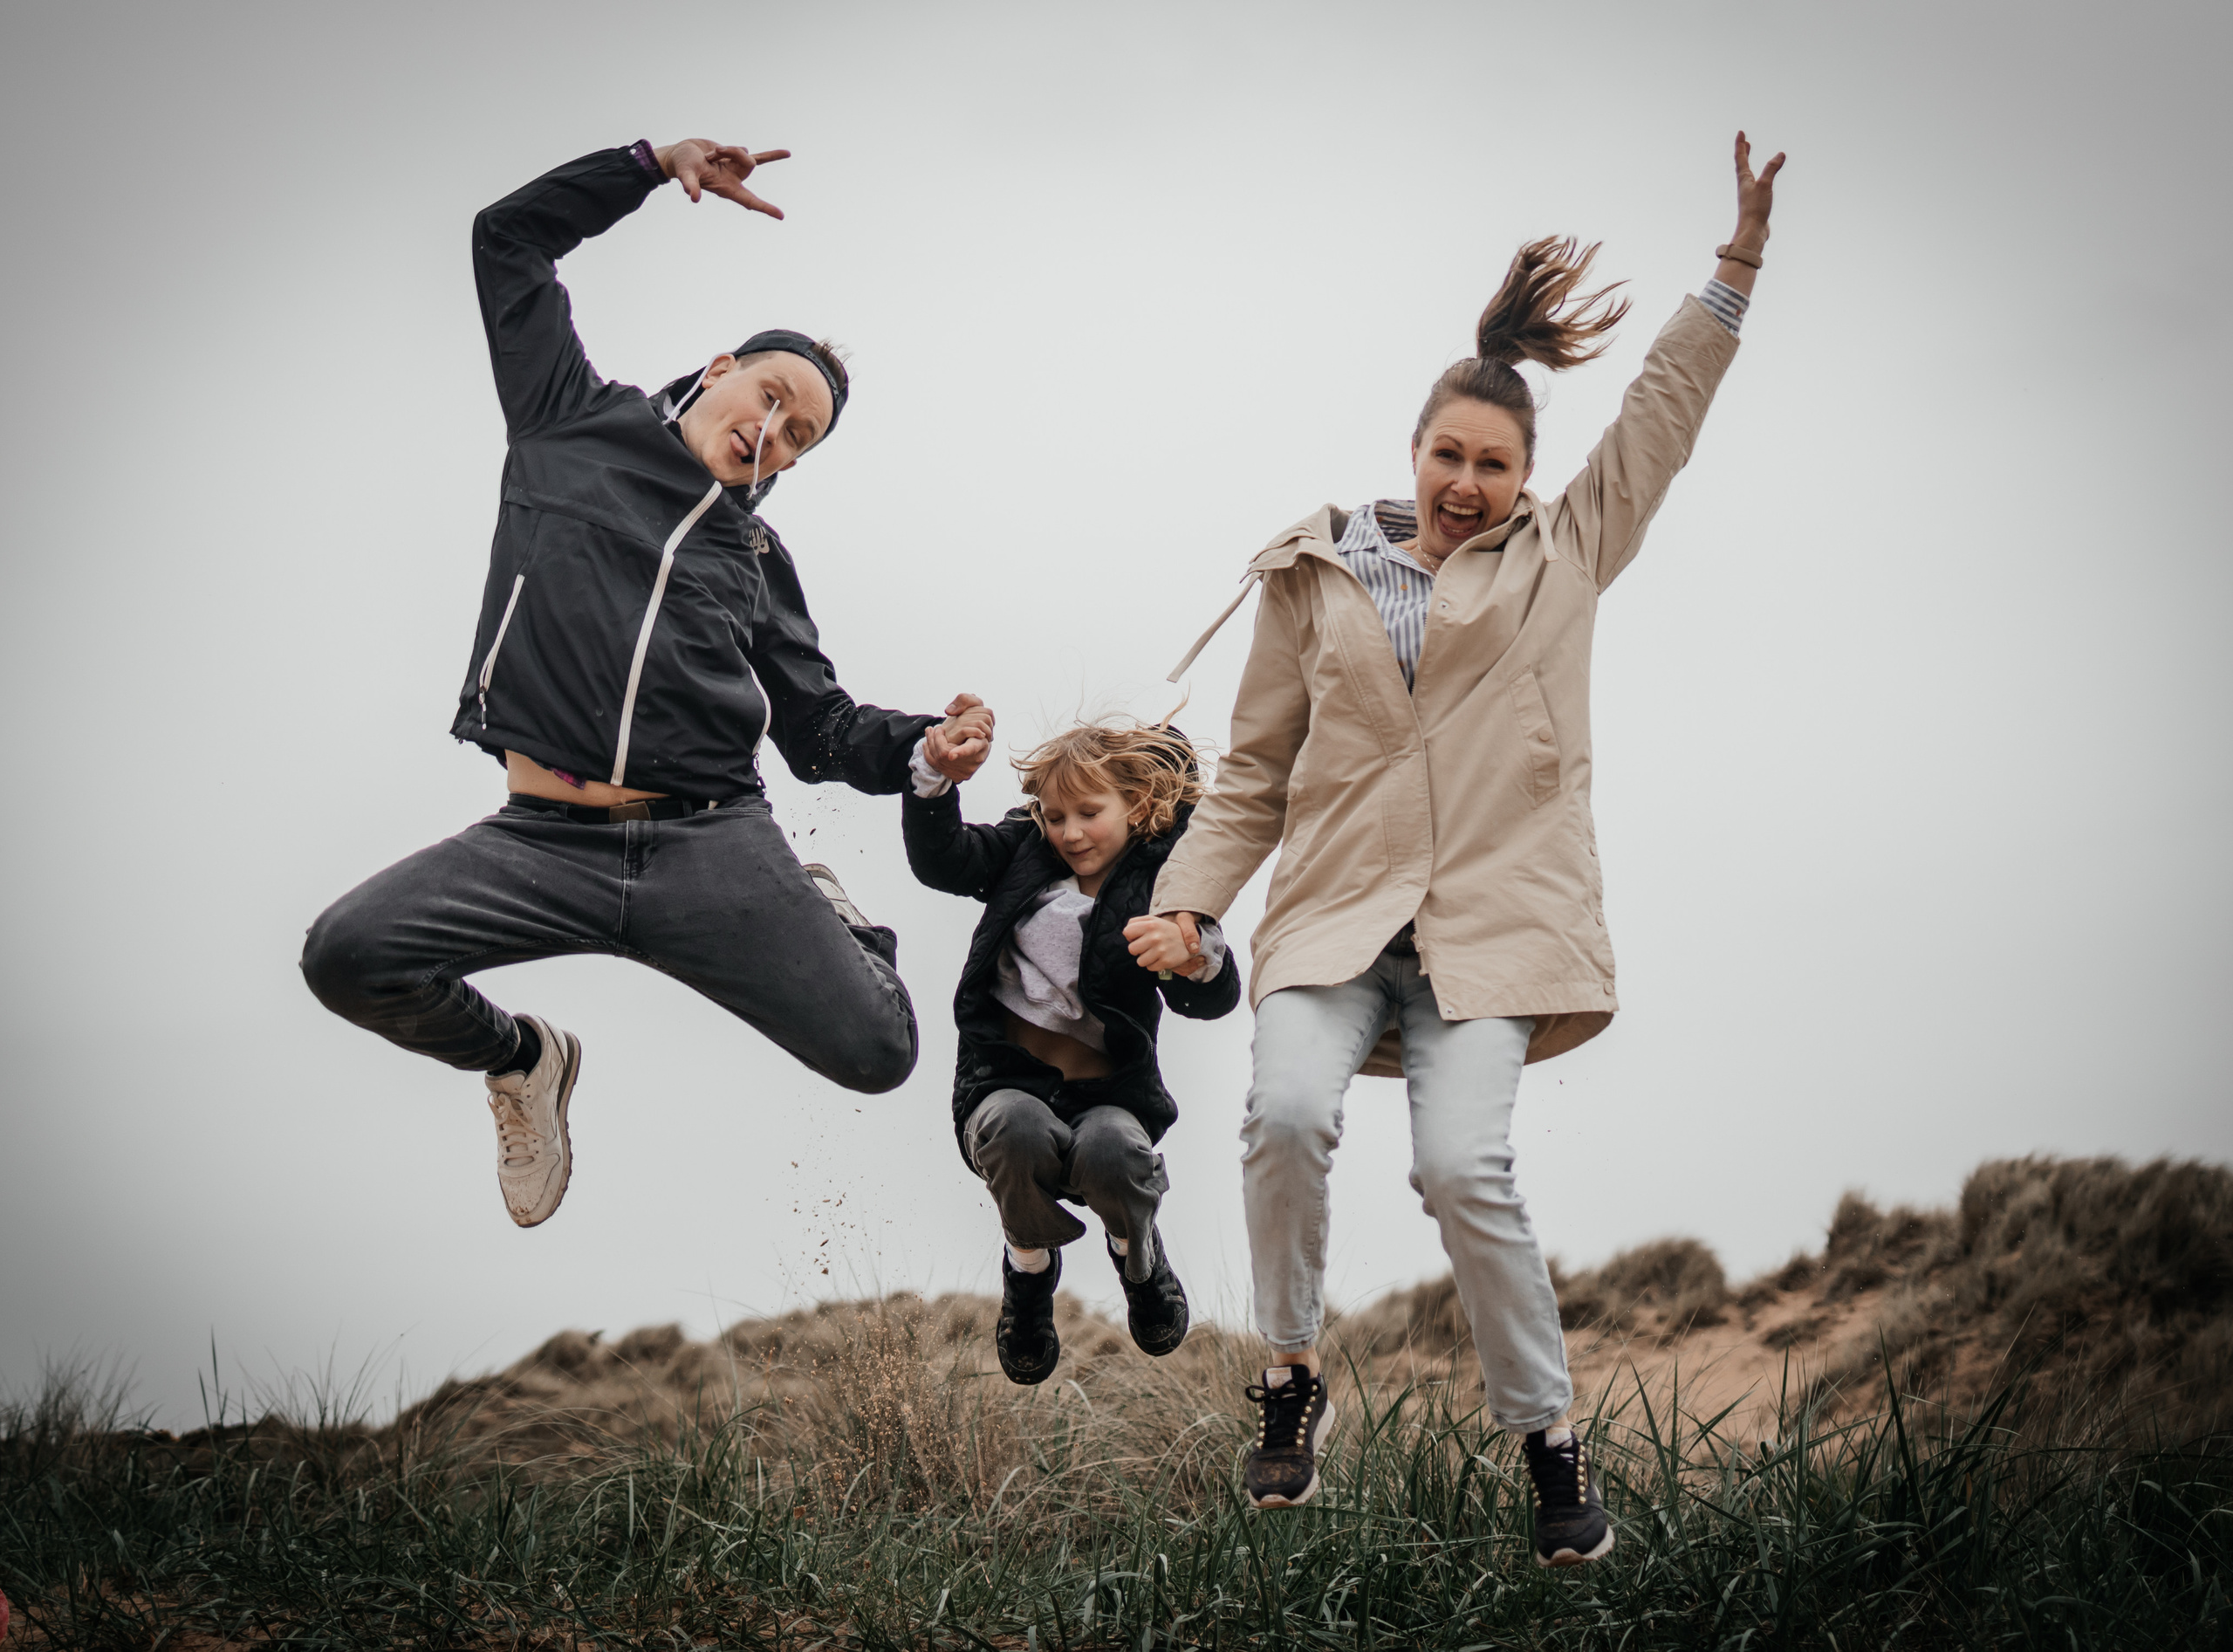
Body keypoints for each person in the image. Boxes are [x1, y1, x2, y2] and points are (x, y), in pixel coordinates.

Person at [1128, 134, 1786, 1553]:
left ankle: (1550, 1443)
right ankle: (1290, 1377)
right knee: (1287, 1114)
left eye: (1496, 463)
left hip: (1492, 933)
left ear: (1530, 476)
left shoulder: (1571, 552)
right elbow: (1249, 772)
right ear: (1413, 449)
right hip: (1334, 919)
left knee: (1461, 1169)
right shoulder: (1317, 577)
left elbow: (1662, 412)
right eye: (1449, 454)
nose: (1468, 481)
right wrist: (1189, 902)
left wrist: (1731, 268)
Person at [301, 139, 995, 1230]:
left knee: (879, 1053)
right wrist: (646, 164)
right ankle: (523, 1060)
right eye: (770, 398)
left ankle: (831, 922)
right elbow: (507, 239)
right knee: (348, 958)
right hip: (541, 841)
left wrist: (923, 749)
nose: (771, 432)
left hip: (705, 847)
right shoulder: (568, 419)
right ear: (720, 370)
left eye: (798, 436)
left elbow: (818, 732)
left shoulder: (756, 563)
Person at [902, 720, 1241, 1382]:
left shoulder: (1165, 884)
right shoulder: (1023, 850)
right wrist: (932, 778)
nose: (1071, 832)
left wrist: (1194, 954)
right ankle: (1028, 1275)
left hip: (1109, 1096)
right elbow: (942, 859)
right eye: (1057, 815)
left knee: (1115, 1152)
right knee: (1017, 1130)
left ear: (1137, 808)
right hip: (1006, 1082)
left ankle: (1138, 1261)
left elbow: (1215, 995)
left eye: (1089, 813)